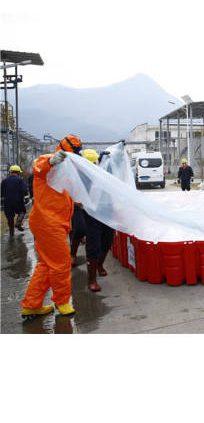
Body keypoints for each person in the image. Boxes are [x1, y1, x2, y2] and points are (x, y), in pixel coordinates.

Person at [20, 134, 82, 319]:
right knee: (61, 264)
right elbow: (38, 167)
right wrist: (52, 161)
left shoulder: (64, 169)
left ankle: (32, 305)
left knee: (46, 265)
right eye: (76, 151)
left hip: (54, 223)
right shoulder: (49, 161)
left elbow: (63, 195)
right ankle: (62, 301)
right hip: (49, 223)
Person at [81, 148, 115, 292]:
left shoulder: (103, 173)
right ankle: (92, 279)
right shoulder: (80, 177)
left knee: (107, 241)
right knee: (93, 246)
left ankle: (100, 264)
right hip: (91, 214)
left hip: (107, 211)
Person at [1, 165, 29, 236]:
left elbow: (1, 192)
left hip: (7, 202)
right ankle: (18, 223)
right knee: (22, 211)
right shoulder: (20, 180)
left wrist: (1, 200)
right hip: (18, 201)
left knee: (10, 217)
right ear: (18, 172)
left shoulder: (4, 181)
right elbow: (24, 190)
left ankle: (11, 232)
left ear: (11, 172)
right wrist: (26, 198)